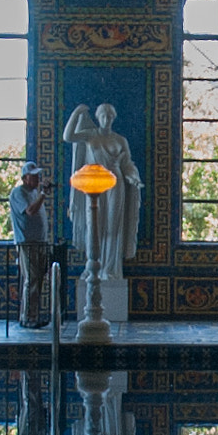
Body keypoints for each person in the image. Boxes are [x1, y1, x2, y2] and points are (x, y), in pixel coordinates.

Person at [63, 103, 142, 298]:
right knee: (95, 227)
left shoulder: (120, 140)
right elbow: (68, 137)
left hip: (116, 184)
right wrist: (76, 113)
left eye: (109, 116)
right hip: (93, 185)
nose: (106, 119)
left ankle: (110, 270)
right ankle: (93, 268)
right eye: (103, 116)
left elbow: (127, 163)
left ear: (113, 118)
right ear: (98, 117)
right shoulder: (90, 135)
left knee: (113, 227)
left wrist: (133, 177)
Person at [9, 162, 51, 328]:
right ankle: (27, 318)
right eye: (33, 175)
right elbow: (30, 211)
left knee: (38, 279)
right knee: (31, 279)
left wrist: (41, 194)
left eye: (37, 175)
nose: (37, 178)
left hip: (40, 242)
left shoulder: (34, 193)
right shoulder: (18, 193)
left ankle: (33, 315)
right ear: (25, 178)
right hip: (27, 243)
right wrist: (43, 194)